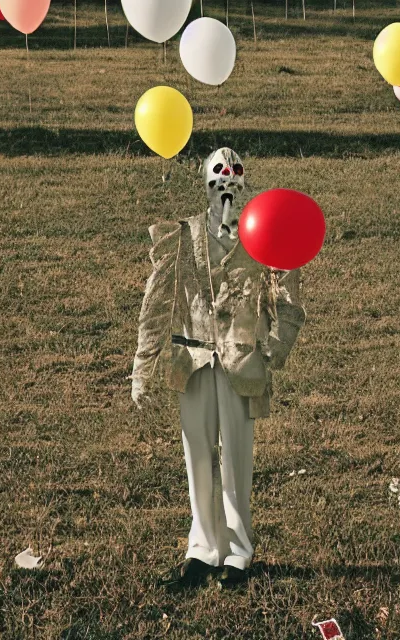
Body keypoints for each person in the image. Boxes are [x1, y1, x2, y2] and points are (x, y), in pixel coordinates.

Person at [129, 148, 306, 588]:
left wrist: (273, 351)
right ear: (205, 184)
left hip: (242, 363)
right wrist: (142, 366)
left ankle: (239, 554)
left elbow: (290, 303)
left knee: (236, 461)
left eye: (233, 180)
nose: (226, 189)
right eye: (218, 180)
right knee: (197, 458)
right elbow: (156, 307)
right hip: (191, 361)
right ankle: (203, 550)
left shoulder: (264, 234)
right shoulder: (183, 236)